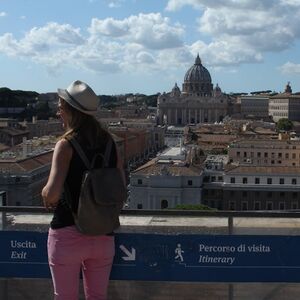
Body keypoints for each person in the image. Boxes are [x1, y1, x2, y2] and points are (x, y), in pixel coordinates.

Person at [42, 80, 121, 300]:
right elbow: (120, 186)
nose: (58, 111)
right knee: (97, 296)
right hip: (103, 234)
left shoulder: (65, 144)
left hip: (68, 234)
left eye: (60, 107)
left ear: (70, 110)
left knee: (64, 296)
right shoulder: (110, 143)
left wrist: (45, 193)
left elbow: (53, 193)